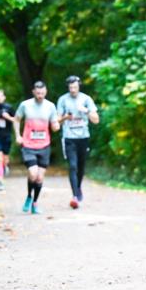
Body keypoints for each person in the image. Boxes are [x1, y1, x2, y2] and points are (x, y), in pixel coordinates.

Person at [13, 81, 60, 215]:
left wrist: (56, 126)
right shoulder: (25, 105)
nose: (40, 95)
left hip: (44, 145)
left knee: (39, 178)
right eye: (38, 93)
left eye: (42, 93)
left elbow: (54, 125)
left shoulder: (50, 106)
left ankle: (35, 202)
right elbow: (16, 120)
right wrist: (18, 135)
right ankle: (29, 196)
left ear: (46, 92)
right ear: (33, 92)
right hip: (28, 145)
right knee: (32, 173)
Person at [57, 76, 99, 209]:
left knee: (81, 167)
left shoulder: (86, 99)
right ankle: (75, 196)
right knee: (73, 166)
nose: (73, 90)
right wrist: (65, 117)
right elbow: (56, 121)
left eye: (75, 87)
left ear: (79, 86)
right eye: (70, 88)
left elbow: (96, 120)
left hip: (83, 137)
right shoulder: (63, 100)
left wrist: (85, 110)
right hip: (69, 138)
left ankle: (78, 187)